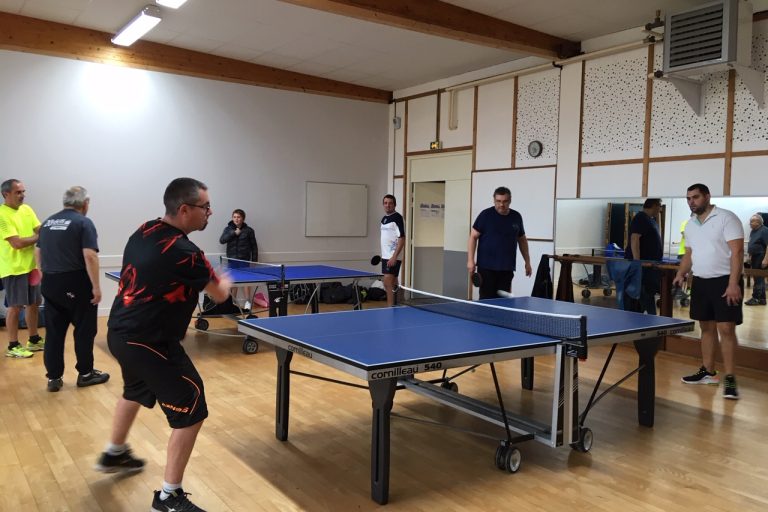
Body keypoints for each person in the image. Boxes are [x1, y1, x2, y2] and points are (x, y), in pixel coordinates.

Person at [96, 178, 232, 512]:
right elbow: (219, 294)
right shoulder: (187, 253)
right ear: (184, 209)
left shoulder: (144, 230)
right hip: (150, 341)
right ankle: (169, 497)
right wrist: (226, 280)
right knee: (192, 405)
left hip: (120, 333)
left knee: (135, 391)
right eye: (205, 207)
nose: (210, 212)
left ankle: (114, 453)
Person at [673, 183, 744, 400]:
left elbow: (737, 252)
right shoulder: (690, 225)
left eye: (695, 197)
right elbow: (690, 253)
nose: (691, 202)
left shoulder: (726, 218)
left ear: (707, 196)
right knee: (706, 328)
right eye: (688, 198)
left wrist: (733, 283)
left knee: (726, 329)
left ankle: (730, 379)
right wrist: (681, 273)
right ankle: (708, 372)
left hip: (725, 281)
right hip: (701, 282)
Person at [36, 186, 109, 392]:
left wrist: (43, 274)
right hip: (76, 282)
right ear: (85, 204)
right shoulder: (83, 222)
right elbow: (90, 256)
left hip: (50, 281)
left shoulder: (48, 222)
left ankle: (54, 378)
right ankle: (85, 374)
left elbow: (38, 251)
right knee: (85, 330)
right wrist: (96, 287)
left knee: (54, 332)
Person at [0, 179, 44, 358]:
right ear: (6, 194)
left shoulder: (27, 209)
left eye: (23, 192)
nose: (22, 195)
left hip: (31, 267)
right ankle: (13, 346)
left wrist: (44, 233)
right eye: (18, 192)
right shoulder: (2, 215)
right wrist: (38, 237)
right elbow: (17, 243)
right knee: (15, 306)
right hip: (13, 268)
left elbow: (41, 229)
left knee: (34, 303)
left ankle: (33, 339)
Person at [467, 186, 532, 299]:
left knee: (504, 302)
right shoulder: (485, 215)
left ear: (510, 200)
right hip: (486, 268)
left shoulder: (516, 217)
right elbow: (473, 237)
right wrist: (470, 260)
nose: (501, 204)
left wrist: (527, 262)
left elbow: (522, 240)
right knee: (486, 301)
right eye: (498, 201)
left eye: (505, 201)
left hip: (507, 268)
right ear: (494, 200)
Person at [625, 198, 663, 314]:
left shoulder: (650, 220)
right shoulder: (641, 218)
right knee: (644, 294)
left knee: (648, 293)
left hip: (649, 265)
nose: (660, 209)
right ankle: (650, 317)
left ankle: (649, 317)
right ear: (654, 206)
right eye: (659, 206)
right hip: (643, 266)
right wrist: (637, 262)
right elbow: (634, 238)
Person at [219, 209, 258, 309]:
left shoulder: (249, 230)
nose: (236, 219)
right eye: (234, 217)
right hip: (232, 260)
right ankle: (233, 302)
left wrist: (254, 260)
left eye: (238, 217)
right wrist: (234, 233)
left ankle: (248, 302)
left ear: (243, 219)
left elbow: (254, 246)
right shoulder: (228, 229)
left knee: (246, 281)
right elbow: (222, 240)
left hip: (244, 260)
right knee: (233, 281)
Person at [380, 194, 405, 306]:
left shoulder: (397, 218)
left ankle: (390, 308)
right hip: (385, 256)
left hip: (393, 256)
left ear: (394, 205)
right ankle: (398, 304)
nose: (388, 205)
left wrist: (394, 256)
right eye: (385, 203)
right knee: (393, 281)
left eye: (390, 203)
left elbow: (402, 238)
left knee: (387, 282)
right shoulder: (384, 219)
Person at [744, 213, 768, 306]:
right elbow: (752, 243)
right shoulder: (753, 231)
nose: (750, 223)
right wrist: (749, 257)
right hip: (754, 256)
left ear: (758, 222)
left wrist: (766, 259)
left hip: (760, 256)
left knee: (758, 277)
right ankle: (762, 299)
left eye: (751, 222)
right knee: (757, 277)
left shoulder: (764, 230)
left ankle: (756, 298)